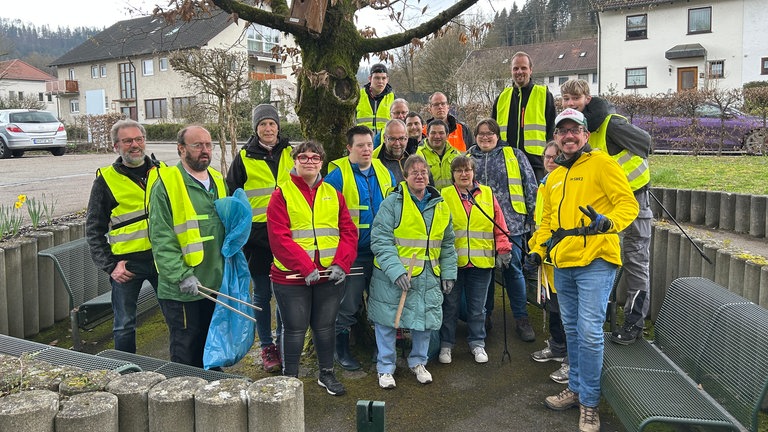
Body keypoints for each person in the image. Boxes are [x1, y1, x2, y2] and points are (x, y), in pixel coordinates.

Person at [526, 109, 638, 432]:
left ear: (586, 136)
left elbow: (628, 204)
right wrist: (537, 250)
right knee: (573, 330)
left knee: (589, 332)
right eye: (563, 131)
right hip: (563, 262)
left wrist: (608, 223)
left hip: (597, 259)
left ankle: (589, 403)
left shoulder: (603, 164)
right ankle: (575, 389)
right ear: (557, 138)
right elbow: (547, 223)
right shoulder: (554, 177)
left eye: (575, 130)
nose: (569, 136)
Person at [559, 79, 653, 345]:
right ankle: (598, 324)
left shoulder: (609, 123)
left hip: (634, 200)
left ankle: (634, 323)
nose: (570, 103)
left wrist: (615, 175)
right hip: (605, 207)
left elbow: (645, 144)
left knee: (635, 264)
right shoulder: (579, 130)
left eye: (575, 98)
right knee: (604, 262)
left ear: (587, 98)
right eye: (565, 99)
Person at [267, 141, 358, 396]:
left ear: (321, 162)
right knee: (294, 328)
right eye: (303, 157)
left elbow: (349, 232)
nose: (309, 161)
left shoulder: (333, 194)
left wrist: (342, 263)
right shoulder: (281, 195)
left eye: (315, 157)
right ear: (295, 161)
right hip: (291, 276)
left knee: (325, 326)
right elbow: (278, 237)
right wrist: (305, 267)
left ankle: (326, 374)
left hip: (329, 275)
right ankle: (290, 379)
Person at [368, 154, 457, 389]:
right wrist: (396, 271)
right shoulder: (392, 203)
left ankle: (418, 362)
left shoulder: (440, 205)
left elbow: (448, 244)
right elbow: (380, 240)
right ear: (405, 176)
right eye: (414, 171)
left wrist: (448, 273)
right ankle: (385, 368)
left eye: (423, 171)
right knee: (387, 321)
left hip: (428, 275)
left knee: (424, 322)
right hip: (393, 276)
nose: (419, 175)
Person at [149, 125, 228, 367]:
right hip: (184, 288)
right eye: (197, 145)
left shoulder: (217, 179)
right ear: (181, 149)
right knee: (186, 347)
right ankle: (185, 395)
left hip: (214, 282)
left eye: (208, 145)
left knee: (212, 345)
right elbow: (161, 237)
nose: (204, 150)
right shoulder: (167, 183)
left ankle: (211, 393)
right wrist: (182, 275)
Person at [85, 119, 162, 354]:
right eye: (127, 140)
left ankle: (179, 370)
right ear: (116, 146)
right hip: (127, 266)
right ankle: (125, 374)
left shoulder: (163, 172)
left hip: (162, 260)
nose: (135, 145)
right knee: (124, 325)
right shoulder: (105, 180)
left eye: (139, 139)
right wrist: (110, 266)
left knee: (176, 318)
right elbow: (93, 229)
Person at [225, 103, 292, 373]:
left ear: (278, 127)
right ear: (255, 128)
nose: (268, 128)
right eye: (263, 124)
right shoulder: (244, 158)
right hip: (258, 238)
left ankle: (284, 341)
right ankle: (267, 346)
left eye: (272, 124)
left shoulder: (291, 152)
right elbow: (233, 197)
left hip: (287, 233)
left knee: (284, 293)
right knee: (262, 294)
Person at [326, 126, 395, 371]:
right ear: (349, 148)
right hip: (351, 253)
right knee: (348, 303)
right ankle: (341, 350)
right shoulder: (336, 176)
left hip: (381, 251)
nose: (366, 150)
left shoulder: (384, 172)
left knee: (382, 301)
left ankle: (382, 349)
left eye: (369, 145)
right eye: (360, 146)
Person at [467, 118, 538, 341]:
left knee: (513, 270)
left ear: (498, 136)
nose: (485, 137)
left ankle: (521, 318)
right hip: (479, 227)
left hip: (512, 224)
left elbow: (530, 184)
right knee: (484, 272)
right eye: (480, 133)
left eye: (490, 133)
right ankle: (485, 316)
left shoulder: (514, 155)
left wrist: (534, 216)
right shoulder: (467, 158)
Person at [439, 156, 512, 364]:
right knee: (450, 305)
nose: (464, 174)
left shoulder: (487, 194)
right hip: (453, 263)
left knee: (478, 307)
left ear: (473, 172)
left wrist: (504, 249)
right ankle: (447, 345)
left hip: (481, 263)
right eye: (459, 170)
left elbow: (499, 225)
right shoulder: (445, 195)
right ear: (453, 174)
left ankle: (477, 343)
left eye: (467, 170)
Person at [529, 141, 570, 384]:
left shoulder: (564, 182)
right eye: (547, 157)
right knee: (553, 305)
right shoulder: (545, 184)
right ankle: (556, 346)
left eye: (555, 156)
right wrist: (535, 248)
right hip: (546, 254)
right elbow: (542, 222)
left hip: (561, 254)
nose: (550, 161)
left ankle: (568, 360)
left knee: (566, 309)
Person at [491, 51, 557, 180]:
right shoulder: (502, 97)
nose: (519, 72)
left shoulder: (543, 94)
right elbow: (492, 130)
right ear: (511, 71)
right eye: (515, 68)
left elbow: (552, 131)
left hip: (536, 164)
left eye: (523, 68)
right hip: (506, 162)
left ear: (530, 70)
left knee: (537, 200)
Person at [417, 119, 461, 190]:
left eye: (441, 133)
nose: (437, 136)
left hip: (451, 199)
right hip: (430, 199)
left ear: (447, 136)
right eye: (433, 133)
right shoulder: (418, 154)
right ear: (427, 135)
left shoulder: (456, 155)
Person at [356, 63, 394, 135]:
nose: (380, 81)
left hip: (384, 142)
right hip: (362, 141)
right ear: (370, 79)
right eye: (377, 78)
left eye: (383, 78)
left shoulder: (393, 98)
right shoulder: (358, 96)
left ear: (387, 79)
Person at [375, 119, 412, 183]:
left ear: (407, 138)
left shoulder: (416, 157)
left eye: (401, 138)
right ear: (384, 138)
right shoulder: (375, 161)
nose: (397, 144)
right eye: (392, 139)